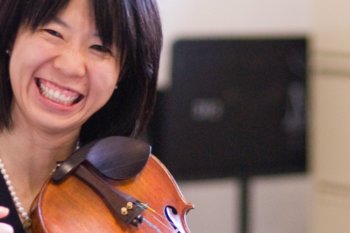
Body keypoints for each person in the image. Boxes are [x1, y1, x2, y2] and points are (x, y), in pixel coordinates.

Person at [0, 0, 162, 232]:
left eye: (100, 48)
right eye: (53, 32)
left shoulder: (135, 190)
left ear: (124, 72)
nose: (70, 66)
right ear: (10, 35)